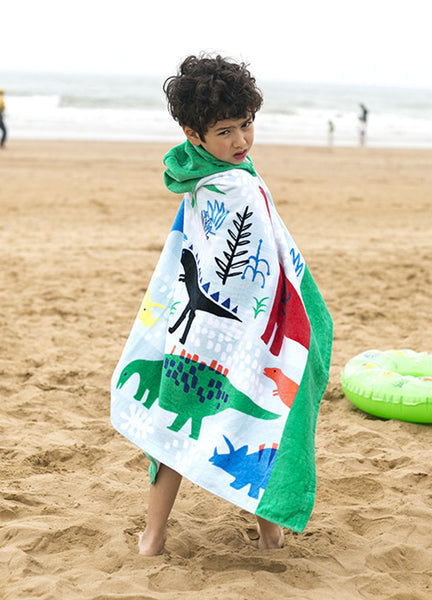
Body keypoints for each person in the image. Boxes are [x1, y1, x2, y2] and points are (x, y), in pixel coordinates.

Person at [110, 54, 333, 556]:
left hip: (191, 334)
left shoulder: (204, 175)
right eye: (225, 131)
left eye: (247, 125)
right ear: (195, 134)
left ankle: (162, 537)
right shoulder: (234, 184)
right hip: (229, 331)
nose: (240, 141)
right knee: (257, 424)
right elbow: (248, 263)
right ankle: (251, 533)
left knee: (182, 422)